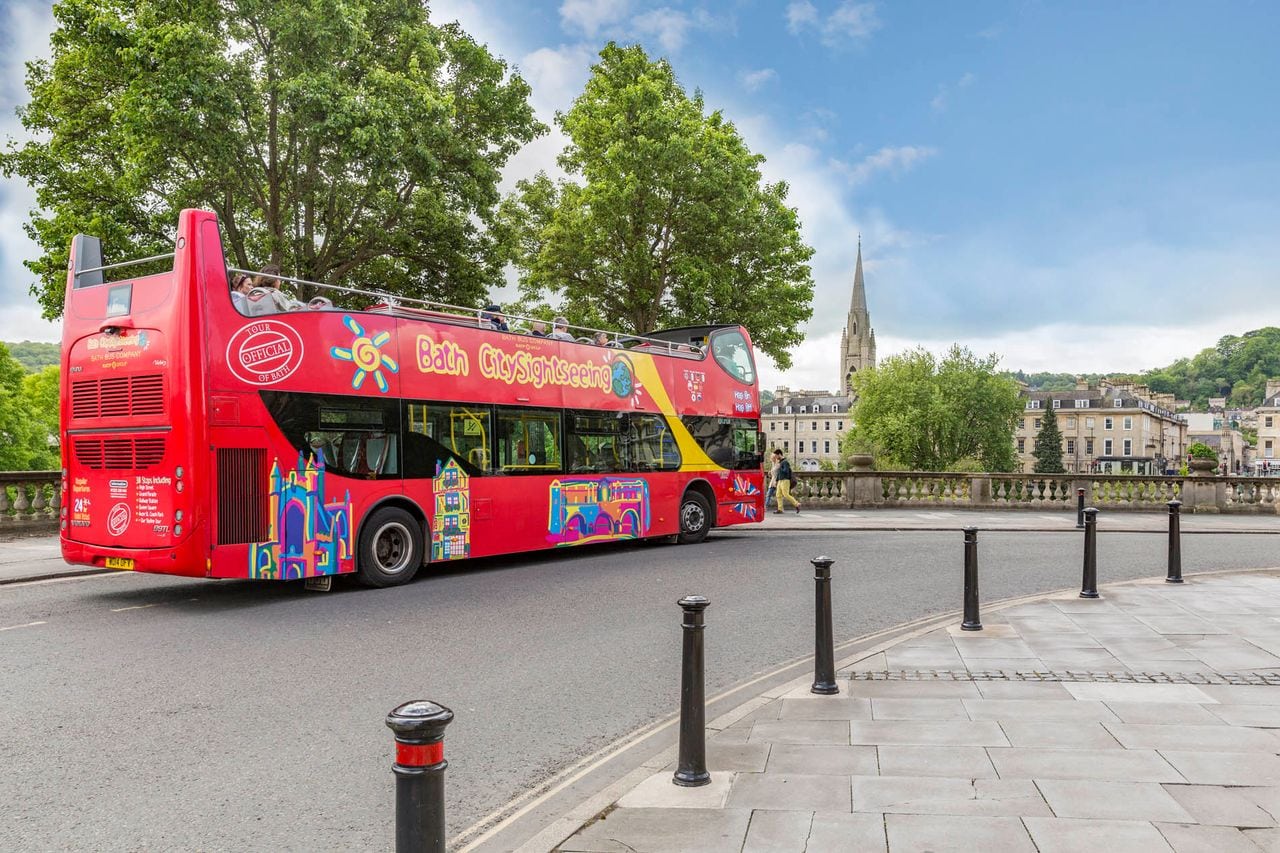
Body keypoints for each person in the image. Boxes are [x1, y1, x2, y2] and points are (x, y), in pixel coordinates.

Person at [771, 448, 800, 514]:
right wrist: (776, 480)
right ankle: (780, 509)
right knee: (778, 495)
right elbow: (779, 473)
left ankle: (797, 504)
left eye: (776, 456)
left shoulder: (785, 462)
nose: (776, 457)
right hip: (780, 481)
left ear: (779, 454)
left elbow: (786, 471)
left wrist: (780, 467)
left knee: (786, 494)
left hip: (785, 480)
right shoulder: (780, 462)